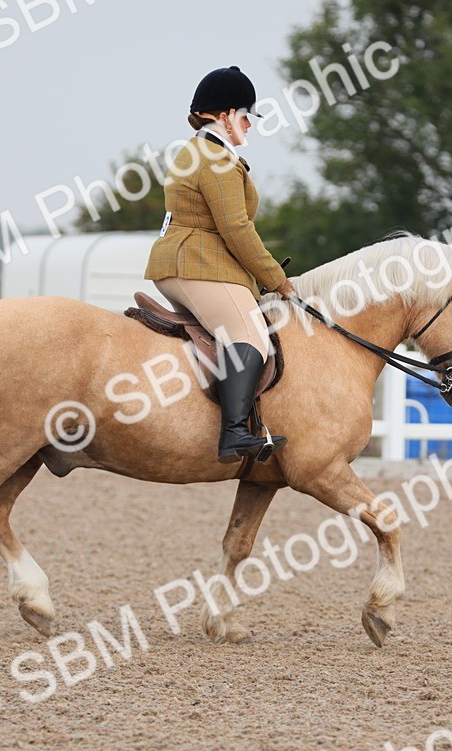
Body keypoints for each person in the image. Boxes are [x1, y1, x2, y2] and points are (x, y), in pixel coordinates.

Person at [144, 65, 298, 464]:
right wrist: (277, 280)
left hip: (184, 260)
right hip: (196, 263)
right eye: (245, 116)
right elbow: (236, 229)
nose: (250, 124)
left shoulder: (197, 152)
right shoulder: (216, 161)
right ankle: (233, 434)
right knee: (251, 334)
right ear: (225, 115)